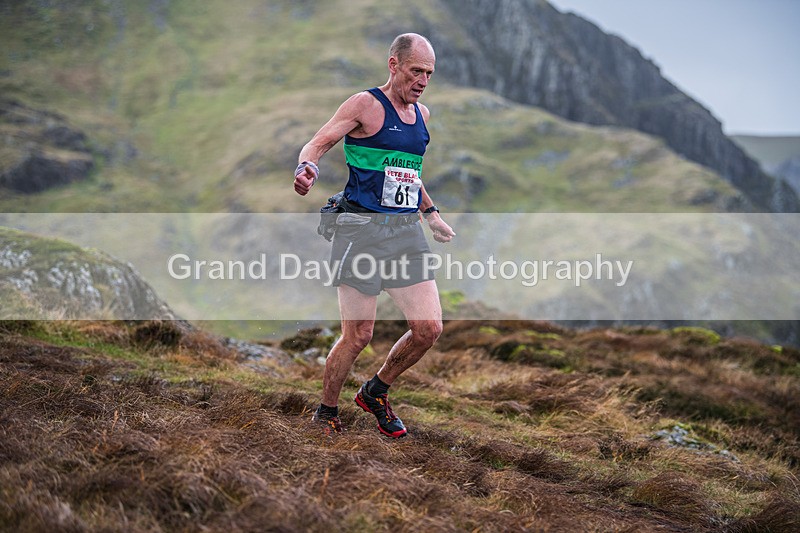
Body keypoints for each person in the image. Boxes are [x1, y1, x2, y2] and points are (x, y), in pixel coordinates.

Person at [294, 33, 455, 438]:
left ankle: (376, 391)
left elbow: (407, 174)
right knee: (358, 335)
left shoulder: (423, 117)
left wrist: (431, 213)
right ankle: (326, 411)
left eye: (429, 73)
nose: (422, 80)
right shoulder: (365, 105)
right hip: (359, 232)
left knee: (429, 329)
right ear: (394, 65)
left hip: (405, 233)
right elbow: (319, 141)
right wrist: (307, 167)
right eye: (416, 70)